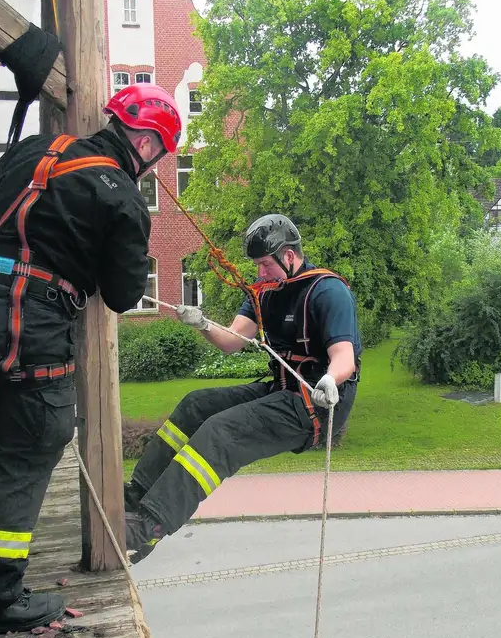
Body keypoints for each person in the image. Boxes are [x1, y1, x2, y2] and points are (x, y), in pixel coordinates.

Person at [0, 83, 184, 637]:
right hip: (34, 327)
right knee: (23, 454)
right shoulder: (121, 196)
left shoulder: (34, 149)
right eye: (159, 155)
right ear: (145, 144)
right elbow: (122, 294)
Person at [122, 214, 362, 562]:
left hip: (317, 405)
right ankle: (139, 494)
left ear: (289, 256)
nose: (259, 272)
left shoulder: (327, 291)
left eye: (265, 264)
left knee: (221, 432)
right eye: (257, 265)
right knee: (195, 405)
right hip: (283, 390)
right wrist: (203, 324)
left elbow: (344, 358)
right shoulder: (264, 293)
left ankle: (153, 523)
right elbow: (232, 340)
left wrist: (330, 379)